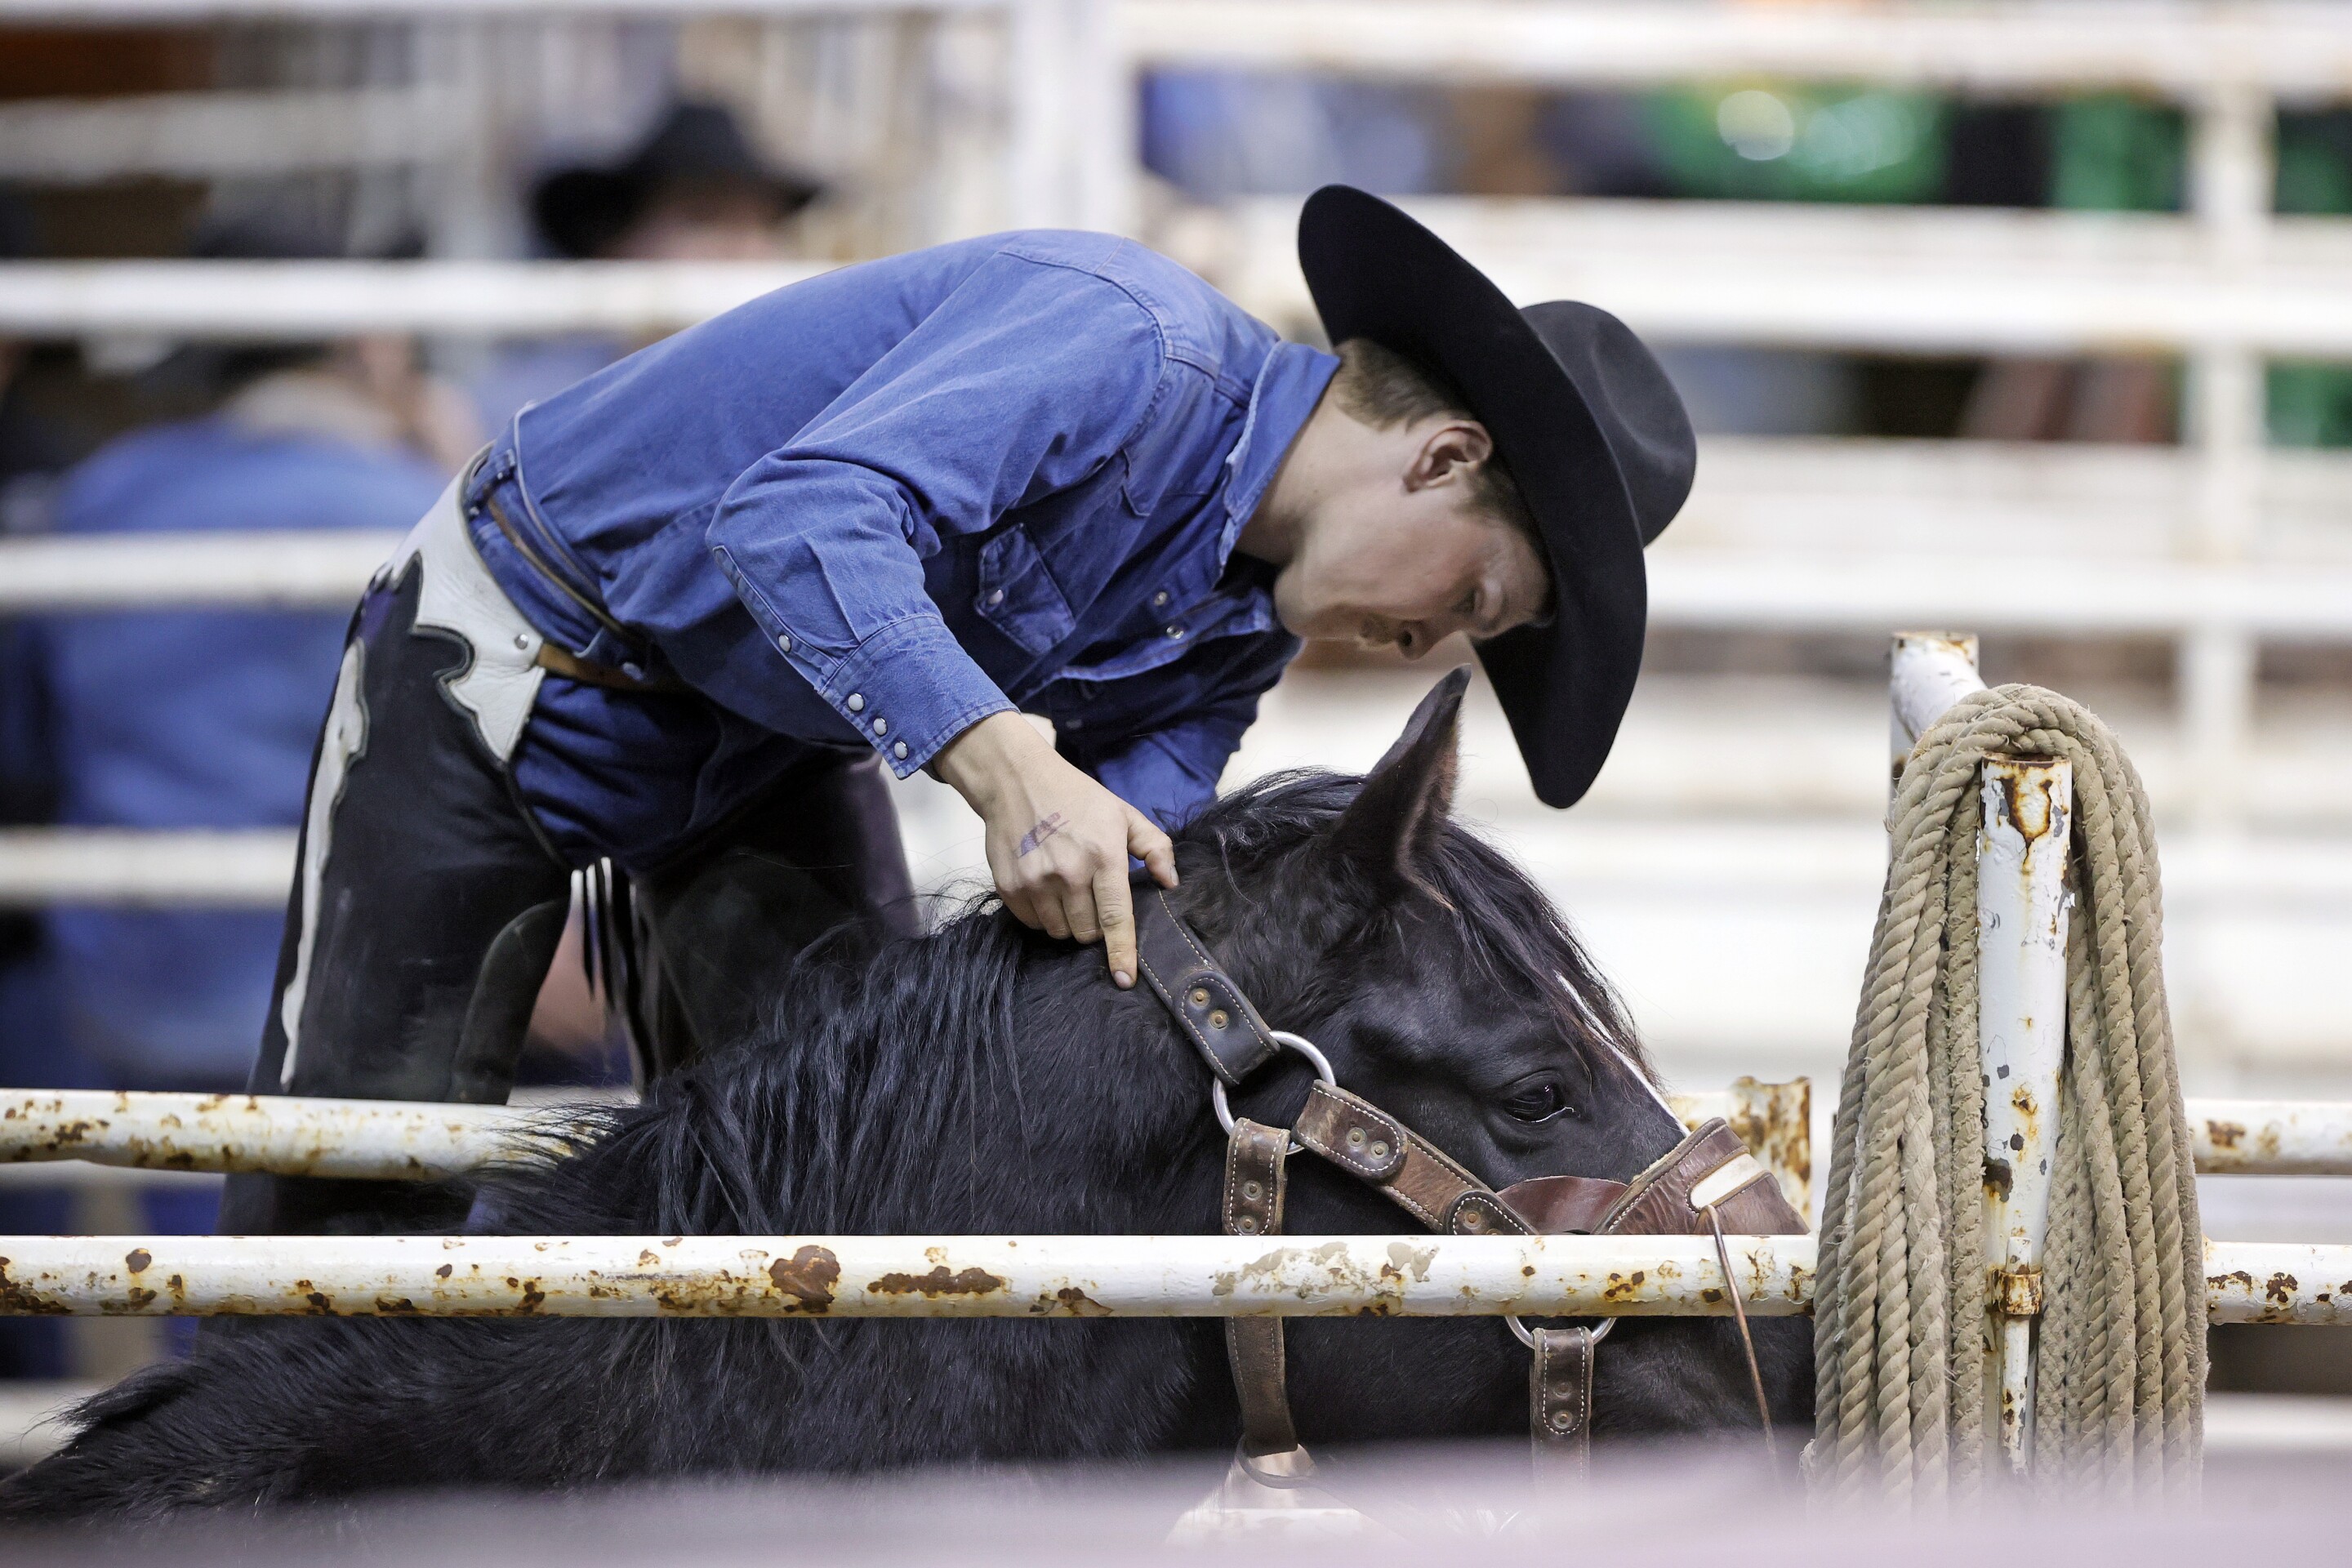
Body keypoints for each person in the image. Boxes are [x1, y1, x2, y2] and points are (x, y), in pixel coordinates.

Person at [225, 185, 1697, 1236]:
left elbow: (1131, 866)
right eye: (1474, 604)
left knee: (851, 1181)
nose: (1430, 641)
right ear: (1443, 458)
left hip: (767, 734)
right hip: (511, 647)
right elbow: (800, 519)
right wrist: (1004, 760)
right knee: (347, 1197)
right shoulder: (1125, 341)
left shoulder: (1235, 636)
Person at [469, 101, 826, 434]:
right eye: (704, 218)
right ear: (618, 245)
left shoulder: (816, 410)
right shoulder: (525, 417)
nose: (744, 249)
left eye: (764, 225)